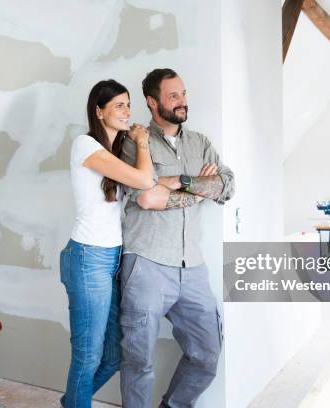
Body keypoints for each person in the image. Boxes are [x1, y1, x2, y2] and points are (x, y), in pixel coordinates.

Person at [119, 68, 235, 407]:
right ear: (152, 102)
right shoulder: (133, 142)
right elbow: (146, 197)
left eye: (183, 93)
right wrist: (200, 188)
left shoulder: (200, 143)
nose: (182, 101)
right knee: (138, 360)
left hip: (192, 267)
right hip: (146, 263)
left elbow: (227, 186)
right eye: (173, 95)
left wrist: (178, 181)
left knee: (207, 352)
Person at [59, 79, 155, 408]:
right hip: (88, 259)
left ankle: (72, 401)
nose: (127, 112)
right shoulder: (85, 146)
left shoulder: (113, 157)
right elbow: (144, 179)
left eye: (129, 104)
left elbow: (148, 184)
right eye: (119, 105)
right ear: (99, 111)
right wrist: (142, 141)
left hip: (112, 261)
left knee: (113, 355)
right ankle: (75, 402)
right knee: (87, 358)